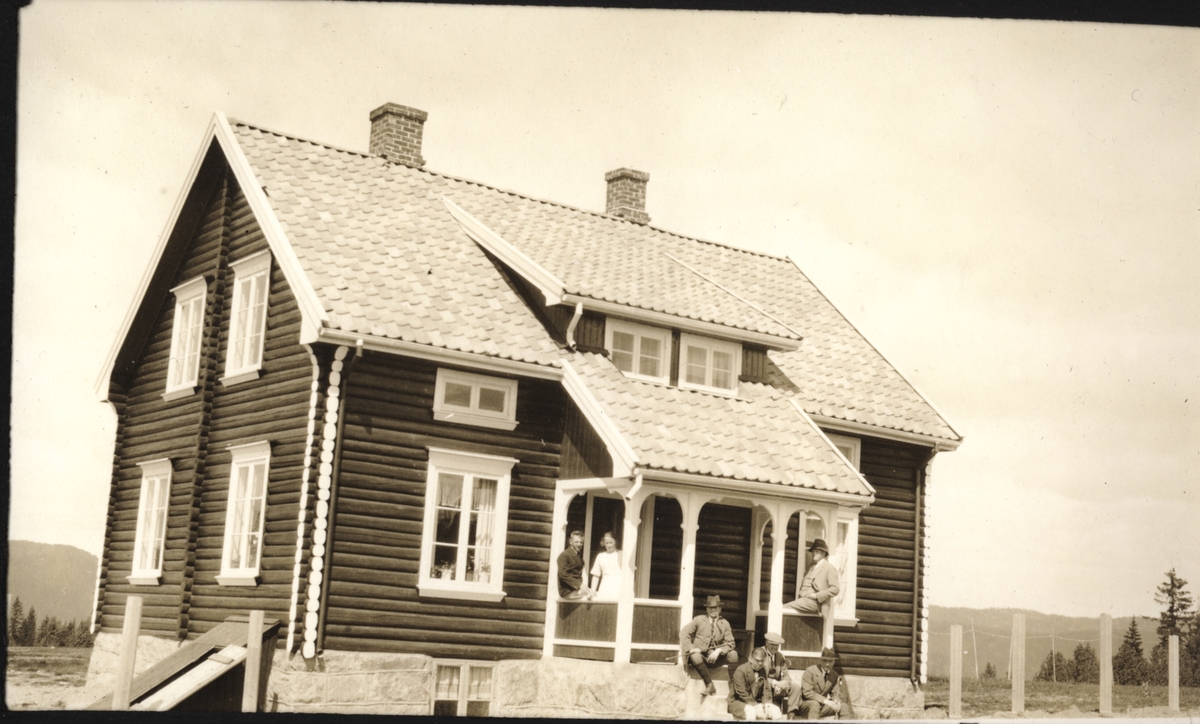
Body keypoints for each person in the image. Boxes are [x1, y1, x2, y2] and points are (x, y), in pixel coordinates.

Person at [680, 594, 739, 697]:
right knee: (694, 655)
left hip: (715, 658)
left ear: (720, 608)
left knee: (733, 654)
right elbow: (684, 634)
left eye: (715, 608)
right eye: (710, 608)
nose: (713, 610)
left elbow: (731, 643)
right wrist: (691, 649)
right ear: (707, 609)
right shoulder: (698, 620)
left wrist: (718, 651)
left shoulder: (724, 623)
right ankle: (709, 685)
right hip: (700, 659)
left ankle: (733, 687)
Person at [785, 539, 840, 617]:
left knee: (784, 608)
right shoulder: (809, 567)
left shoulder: (829, 568)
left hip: (816, 603)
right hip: (803, 601)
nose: (814, 553)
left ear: (824, 553)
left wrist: (816, 595)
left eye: (817, 551)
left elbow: (835, 589)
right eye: (813, 551)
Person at [729, 647, 785, 720]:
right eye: (757, 660)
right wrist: (755, 707)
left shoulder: (763, 670)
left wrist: (767, 705)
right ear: (751, 659)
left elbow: (766, 690)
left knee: (775, 710)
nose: (760, 663)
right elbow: (741, 693)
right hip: (738, 703)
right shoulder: (741, 670)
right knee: (751, 711)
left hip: (755, 703)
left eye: (762, 661)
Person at [762, 631, 802, 716]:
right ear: (766, 643)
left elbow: (786, 674)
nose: (774, 647)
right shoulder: (760, 653)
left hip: (777, 686)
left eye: (777, 645)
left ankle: (791, 715)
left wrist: (785, 684)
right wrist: (776, 683)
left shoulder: (780, 656)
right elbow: (760, 677)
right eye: (772, 644)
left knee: (795, 688)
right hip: (763, 685)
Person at [797, 647, 841, 720]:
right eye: (825, 661)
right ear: (820, 661)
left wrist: (837, 701)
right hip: (806, 706)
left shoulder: (834, 675)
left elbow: (835, 693)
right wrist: (826, 701)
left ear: (834, 662)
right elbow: (807, 692)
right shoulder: (810, 671)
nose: (827, 664)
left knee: (844, 706)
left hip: (822, 707)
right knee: (815, 704)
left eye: (830, 661)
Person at [556, 530, 592, 599]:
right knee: (588, 598)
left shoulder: (578, 555)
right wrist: (579, 585)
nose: (579, 544)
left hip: (576, 589)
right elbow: (563, 574)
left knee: (594, 594)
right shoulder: (564, 555)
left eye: (581, 542)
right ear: (571, 542)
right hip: (567, 591)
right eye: (576, 542)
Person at [589, 531, 622, 600]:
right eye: (607, 543)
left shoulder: (621, 554)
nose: (609, 545)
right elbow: (596, 575)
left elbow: (629, 574)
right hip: (605, 587)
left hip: (619, 586)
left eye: (611, 542)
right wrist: (592, 591)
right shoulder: (601, 556)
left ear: (615, 542)